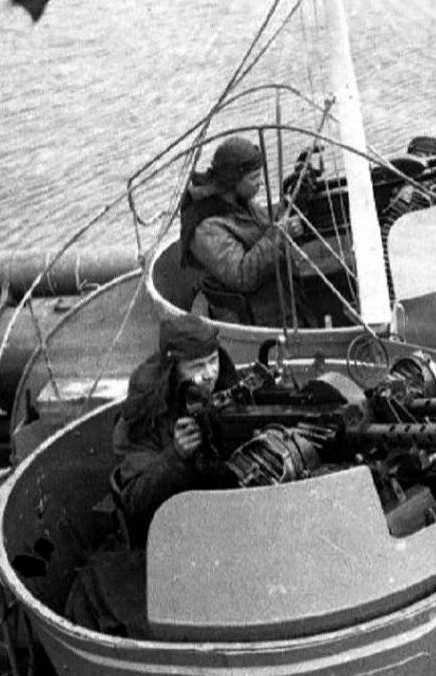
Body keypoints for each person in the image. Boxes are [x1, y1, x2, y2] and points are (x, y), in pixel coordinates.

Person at [111, 314, 237, 546]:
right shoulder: (147, 414)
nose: (210, 373)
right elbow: (135, 502)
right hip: (176, 534)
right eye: (197, 366)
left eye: (213, 361)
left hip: (226, 514)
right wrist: (176, 456)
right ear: (174, 370)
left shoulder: (228, 390)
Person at [179, 136, 305, 327]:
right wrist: (279, 235)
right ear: (233, 180)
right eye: (254, 178)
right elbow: (241, 276)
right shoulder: (206, 228)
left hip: (279, 297)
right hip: (252, 316)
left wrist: (291, 209)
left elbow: (266, 230)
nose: (260, 183)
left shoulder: (238, 202)